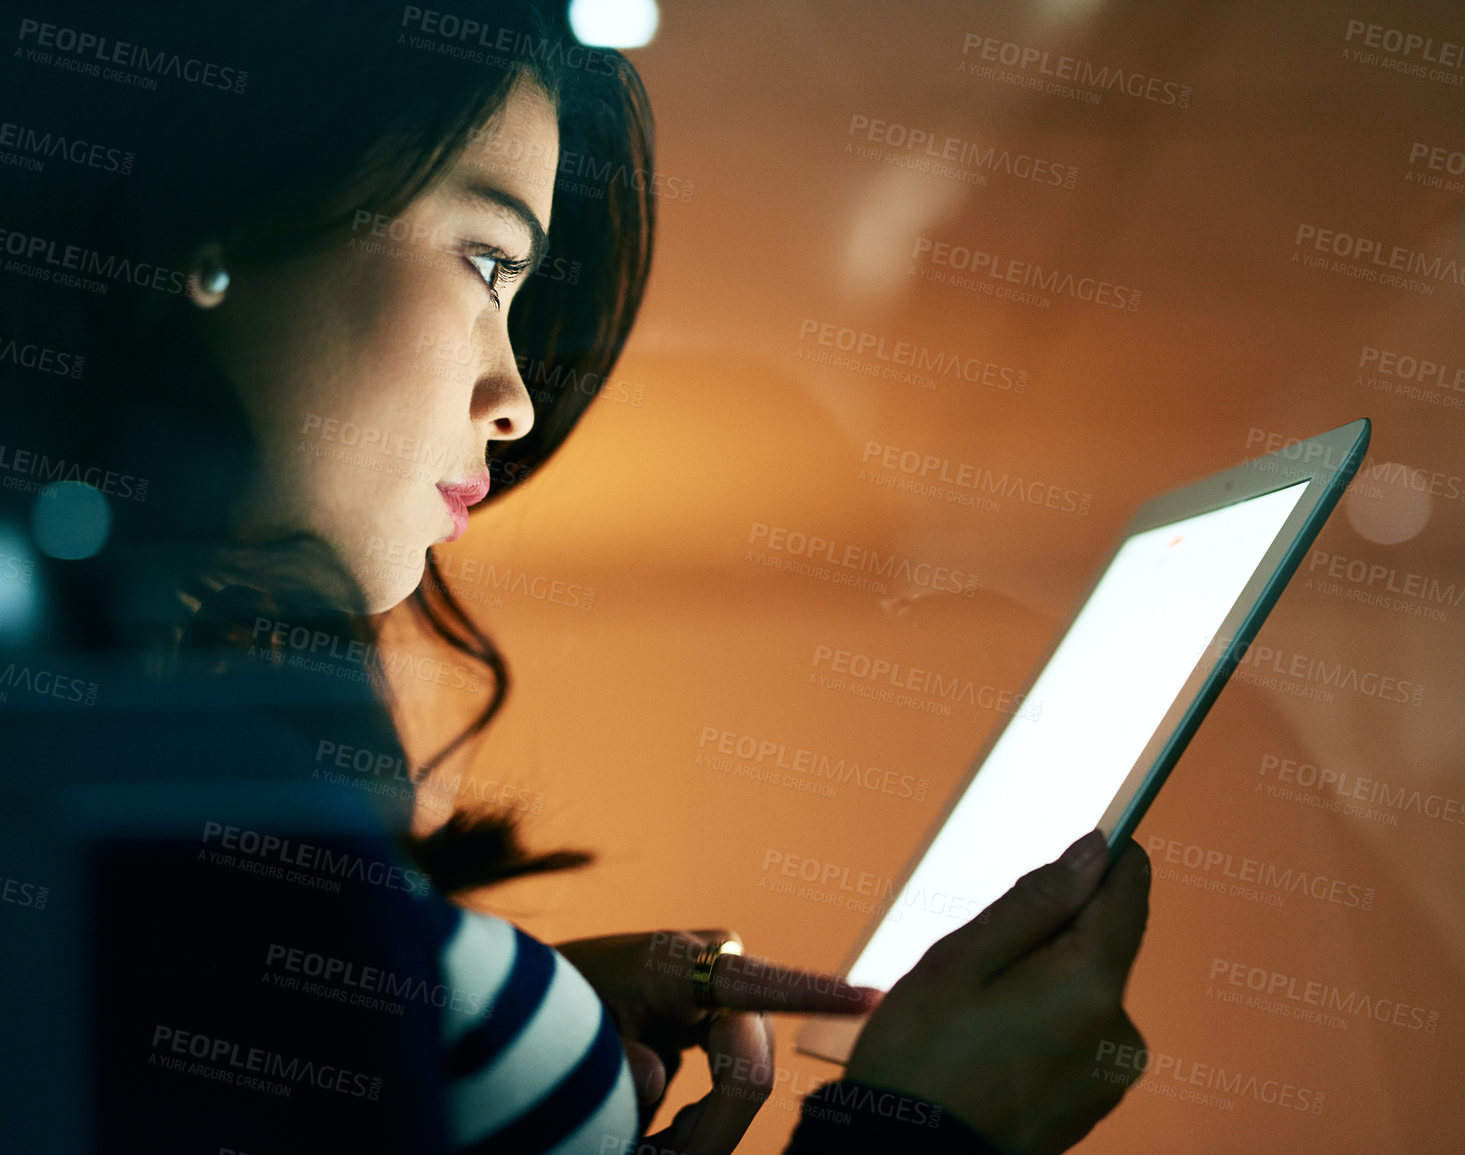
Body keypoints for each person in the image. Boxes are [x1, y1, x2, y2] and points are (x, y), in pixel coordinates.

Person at [0, 2, 1152, 1152]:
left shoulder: (121, 734)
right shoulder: (122, 768)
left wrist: (472, 1009)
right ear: (222, 217)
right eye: (489, 262)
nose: (515, 397)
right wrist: (926, 1134)